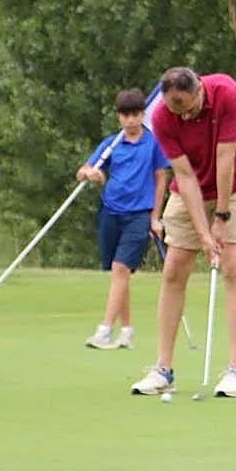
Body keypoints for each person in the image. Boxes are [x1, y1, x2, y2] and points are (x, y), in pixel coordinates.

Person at [131, 67, 236, 398]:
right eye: (178, 111)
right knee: (174, 269)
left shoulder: (227, 94)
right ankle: (164, 369)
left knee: (233, 268)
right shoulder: (161, 116)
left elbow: (225, 159)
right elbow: (185, 176)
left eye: (189, 108)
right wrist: (204, 235)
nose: (185, 116)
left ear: (199, 89)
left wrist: (221, 216)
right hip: (192, 187)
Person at [77, 88, 170, 350]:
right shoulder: (111, 144)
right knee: (120, 274)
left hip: (139, 215)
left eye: (135, 114)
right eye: (125, 115)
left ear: (143, 114)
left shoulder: (153, 143)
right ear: (118, 116)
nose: (130, 120)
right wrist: (90, 174)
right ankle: (127, 331)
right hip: (110, 212)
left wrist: (156, 217)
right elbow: (86, 170)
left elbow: (161, 179)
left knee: (121, 270)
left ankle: (105, 330)